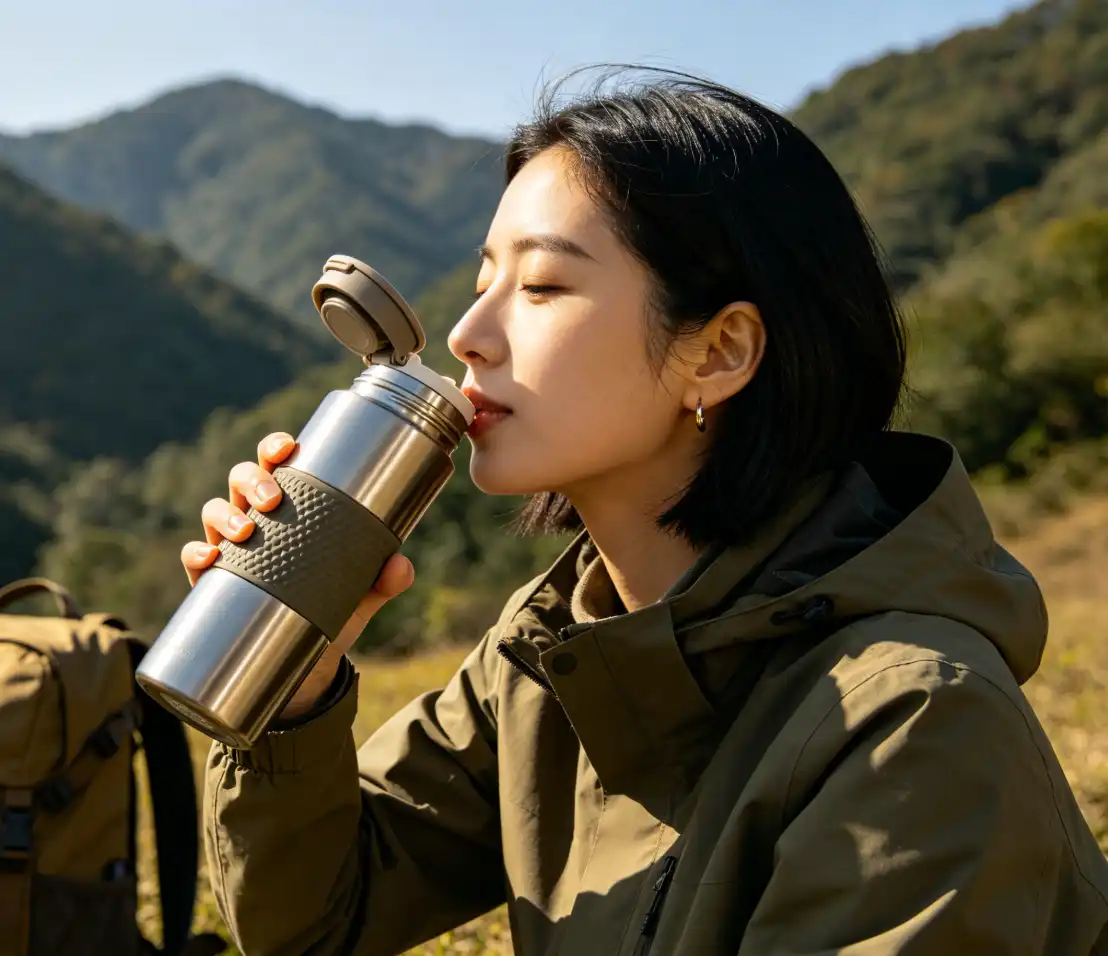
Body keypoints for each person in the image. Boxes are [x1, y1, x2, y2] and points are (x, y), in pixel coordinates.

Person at [185, 70, 1108, 955]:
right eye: (482, 284)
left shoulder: (912, 724)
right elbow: (314, 922)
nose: (467, 336)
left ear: (719, 352)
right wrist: (298, 678)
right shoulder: (552, 659)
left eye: (542, 287)